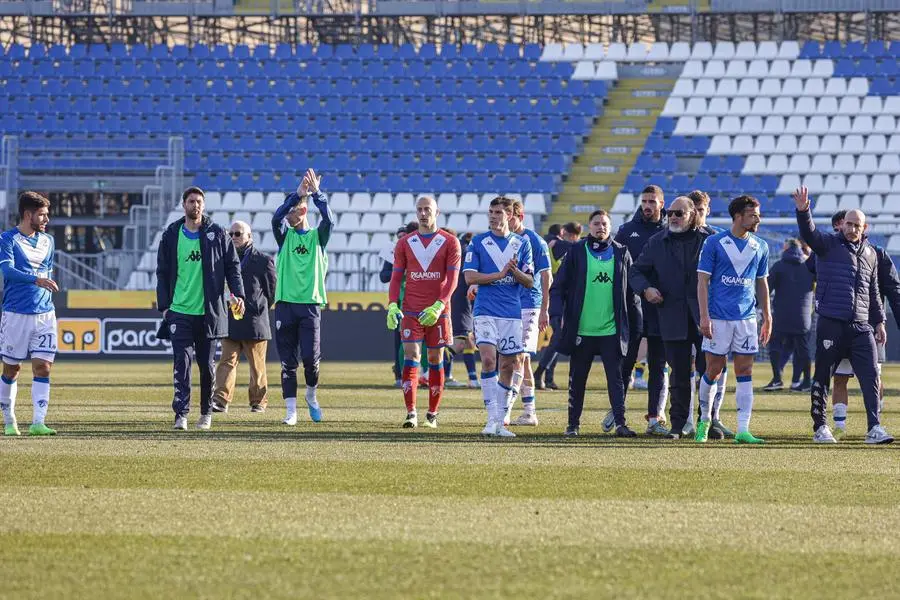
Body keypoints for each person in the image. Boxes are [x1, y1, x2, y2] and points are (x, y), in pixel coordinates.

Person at [793, 186, 893, 444]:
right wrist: (804, 211)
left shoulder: (871, 254)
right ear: (841, 225)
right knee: (824, 375)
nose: (851, 229)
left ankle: (874, 428)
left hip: (861, 326)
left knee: (871, 375)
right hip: (831, 322)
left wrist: (879, 321)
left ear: (864, 228)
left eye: (856, 225)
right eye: (848, 224)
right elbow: (809, 232)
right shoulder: (826, 244)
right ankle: (820, 428)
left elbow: (873, 290)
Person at [156, 186, 246, 431]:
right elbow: (162, 272)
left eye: (199, 202)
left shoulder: (217, 233)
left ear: (203, 206)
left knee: (206, 367)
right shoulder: (172, 234)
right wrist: (165, 307)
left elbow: (233, 267)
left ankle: (206, 413)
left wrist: (237, 294)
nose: (195, 205)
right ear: (183, 204)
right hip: (179, 311)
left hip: (208, 313)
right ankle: (181, 414)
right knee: (181, 364)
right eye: (191, 201)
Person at [550, 209, 639, 437]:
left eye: (605, 224)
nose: (601, 227)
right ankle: (573, 425)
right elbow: (558, 287)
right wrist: (556, 317)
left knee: (616, 380)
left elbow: (632, 293)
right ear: (590, 227)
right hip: (582, 330)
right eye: (597, 223)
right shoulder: (577, 251)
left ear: (610, 227)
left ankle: (620, 424)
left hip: (611, 330)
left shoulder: (621, 252)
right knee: (577, 380)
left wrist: (637, 326)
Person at [630, 196, 711, 439]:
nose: (673, 217)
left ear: (692, 215)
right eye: (670, 213)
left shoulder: (710, 241)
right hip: (671, 315)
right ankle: (678, 425)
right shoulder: (657, 242)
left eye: (679, 213)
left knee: (709, 374)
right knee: (678, 373)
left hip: (704, 316)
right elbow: (636, 271)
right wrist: (646, 289)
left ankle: (707, 422)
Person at [695, 196, 771, 444]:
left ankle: (743, 429)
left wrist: (767, 316)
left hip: (747, 318)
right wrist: (704, 316)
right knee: (713, 370)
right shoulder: (714, 243)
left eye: (758, 214)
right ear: (738, 216)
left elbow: (762, 283)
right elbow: (702, 282)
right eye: (753, 214)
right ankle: (704, 420)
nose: (757, 219)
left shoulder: (761, 246)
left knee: (745, 371)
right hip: (718, 318)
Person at [386, 196, 461, 428]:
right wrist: (391, 304)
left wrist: (439, 305)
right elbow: (396, 277)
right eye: (419, 209)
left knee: (435, 358)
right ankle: (411, 413)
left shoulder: (450, 242)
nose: (423, 213)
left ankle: (432, 413)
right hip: (411, 310)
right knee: (412, 357)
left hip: (439, 311)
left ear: (437, 212)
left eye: (427, 209)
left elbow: (452, 278)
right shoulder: (404, 243)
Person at [463, 196, 534, 437]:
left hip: (512, 313)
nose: (493, 216)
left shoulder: (522, 244)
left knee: (510, 364)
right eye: (491, 212)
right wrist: (500, 273)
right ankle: (492, 419)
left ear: (510, 216)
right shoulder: (478, 242)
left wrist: (514, 272)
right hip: (485, 310)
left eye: (498, 212)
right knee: (489, 360)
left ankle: (500, 420)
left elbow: (529, 281)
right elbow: (470, 278)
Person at [272, 168, 332, 426]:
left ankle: (311, 395)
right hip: (285, 305)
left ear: (304, 211)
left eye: (293, 210)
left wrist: (316, 194)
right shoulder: (284, 236)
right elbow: (275, 220)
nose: (287, 216)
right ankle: (291, 410)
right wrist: (295, 195)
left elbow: (329, 220)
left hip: (309, 305)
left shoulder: (318, 237)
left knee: (310, 360)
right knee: (287, 363)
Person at [0, 191, 60, 436]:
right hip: (16, 313)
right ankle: (9, 419)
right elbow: (8, 272)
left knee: (43, 367)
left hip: (45, 313)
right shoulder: (8, 239)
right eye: (42, 214)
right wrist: (36, 280)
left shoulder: (49, 241)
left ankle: (38, 422)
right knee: (11, 369)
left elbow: (48, 270)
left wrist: (44, 284)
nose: (46, 219)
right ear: (28, 214)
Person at [612, 184, 667, 435]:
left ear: (661, 204)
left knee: (658, 364)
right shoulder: (626, 231)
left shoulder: (671, 229)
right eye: (644, 201)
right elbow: (617, 269)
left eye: (652, 202)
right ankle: (618, 414)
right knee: (625, 363)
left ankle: (654, 418)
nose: (647, 206)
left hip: (662, 307)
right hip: (631, 307)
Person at [210, 220, 277, 413]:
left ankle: (258, 402)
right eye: (231, 234)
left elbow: (271, 292)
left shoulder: (264, 261)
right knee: (226, 362)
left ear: (250, 236)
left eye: (238, 234)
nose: (233, 237)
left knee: (257, 366)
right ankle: (221, 401)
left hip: (255, 322)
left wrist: (256, 308)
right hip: (230, 321)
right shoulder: (223, 260)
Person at [505, 199, 552, 426]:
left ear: (520, 217)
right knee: (518, 360)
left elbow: (546, 276)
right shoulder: (504, 240)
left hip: (530, 304)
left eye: (509, 217)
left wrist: (545, 309)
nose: (505, 221)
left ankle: (505, 409)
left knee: (519, 357)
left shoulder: (534, 240)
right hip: (508, 304)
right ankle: (529, 411)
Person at [535, 221, 582, 390]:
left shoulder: (552, 244)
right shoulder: (575, 248)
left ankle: (547, 377)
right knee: (559, 336)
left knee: (557, 337)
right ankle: (540, 373)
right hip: (559, 298)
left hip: (555, 296)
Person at [764, 238, 814, 393]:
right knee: (803, 350)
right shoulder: (809, 266)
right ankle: (806, 381)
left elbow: (767, 288)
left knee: (775, 347)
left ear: (785, 248)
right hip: (803, 316)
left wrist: (758, 306)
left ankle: (777, 379)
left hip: (781, 315)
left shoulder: (779, 266)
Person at [380, 222, 418, 386]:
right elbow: (384, 276)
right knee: (400, 339)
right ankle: (399, 373)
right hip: (401, 301)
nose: (402, 239)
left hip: (419, 298)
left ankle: (422, 373)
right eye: (400, 237)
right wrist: (400, 270)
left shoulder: (419, 251)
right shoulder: (394, 253)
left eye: (405, 236)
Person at [446, 232, 480, 389]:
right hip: (462, 302)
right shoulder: (467, 252)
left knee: (468, 342)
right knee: (460, 342)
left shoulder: (461, 251)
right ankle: (440, 368)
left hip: (460, 300)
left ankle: (472, 378)